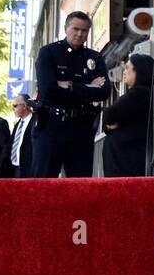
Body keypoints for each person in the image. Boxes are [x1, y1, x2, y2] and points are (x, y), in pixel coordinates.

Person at [31, 11, 111, 177]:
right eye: (75, 29)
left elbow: (104, 92)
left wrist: (71, 86)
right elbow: (48, 91)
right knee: (43, 184)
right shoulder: (49, 53)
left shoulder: (94, 57)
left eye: (84, 30)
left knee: (80, 186)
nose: (80, 34)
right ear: (66, 28)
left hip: (81, 128)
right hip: (51, 125)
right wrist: (88, 87)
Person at [101, 53, 154, 177]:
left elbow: (109, 115)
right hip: (127, 157)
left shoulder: (138, 93)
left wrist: (111, 123)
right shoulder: (148, 93)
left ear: (137, 71)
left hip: (125, 160)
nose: (124, 72)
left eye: (127, 68)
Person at [7, 94, 36, 178]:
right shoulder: (18, 124)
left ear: (25, 106)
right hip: (15, 169)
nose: (13, 109)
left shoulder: (35, 122)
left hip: (29, 169)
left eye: (15, 106)